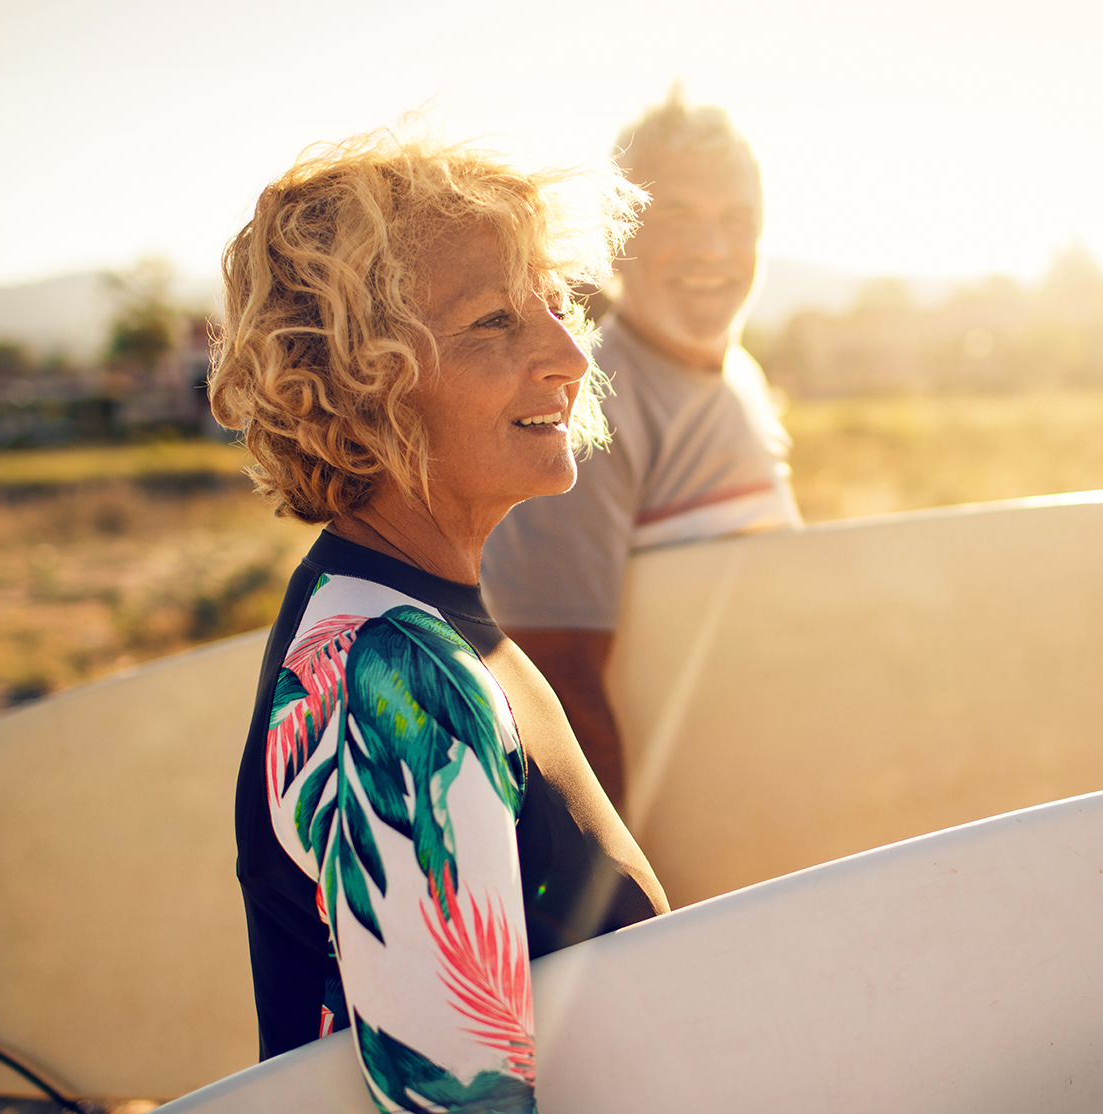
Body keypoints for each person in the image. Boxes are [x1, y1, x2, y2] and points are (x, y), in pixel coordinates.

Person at [208, 126, 669, 1114]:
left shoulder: (411, 619)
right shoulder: (399, 680)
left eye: (552, 300)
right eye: (495, 320)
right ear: (361, 385)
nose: (567, 351)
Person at [481, 90, 801, 812]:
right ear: (616, 236)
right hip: (684, 861)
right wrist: (631, 912)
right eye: (676, 216)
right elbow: (553, 687)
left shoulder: (740, 378)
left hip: (772, 817)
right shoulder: (584, 408)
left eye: (736, 221)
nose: (714, 249)